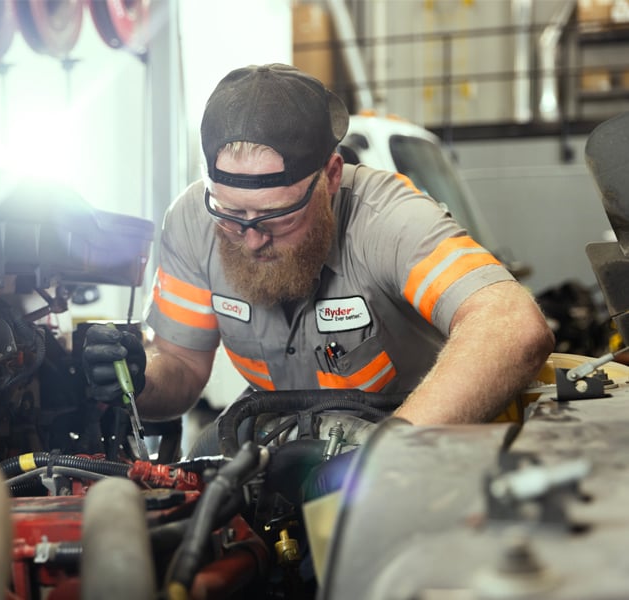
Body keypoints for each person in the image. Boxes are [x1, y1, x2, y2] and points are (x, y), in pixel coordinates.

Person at [83, 63, 554, 427]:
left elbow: (513, 325)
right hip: (283, 445)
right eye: (232, 214)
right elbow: (183, 366)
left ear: (329, 177)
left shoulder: (386, 219)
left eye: (277, 214)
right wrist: (138, 376)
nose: (251, 237)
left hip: (422, 448)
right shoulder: (191, 221)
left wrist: (397, 449)